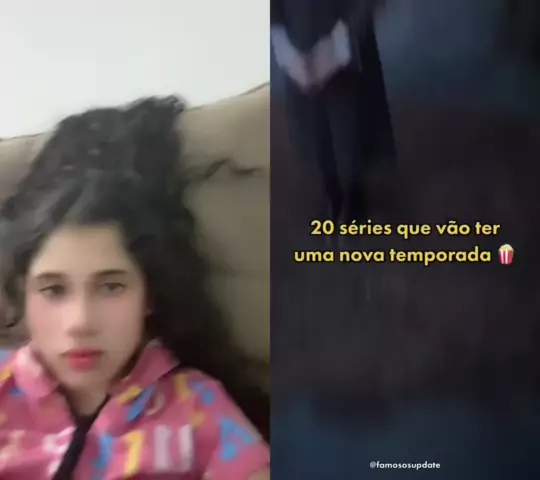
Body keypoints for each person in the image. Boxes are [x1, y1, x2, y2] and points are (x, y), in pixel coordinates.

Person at [0, 98, 270, 479]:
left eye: (111, 287)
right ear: (23, 293)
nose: (80, 322)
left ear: (148, 295)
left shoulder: (196, 404)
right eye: (54, 290)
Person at [271, 0, 395, 225]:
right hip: (298, 37)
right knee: (315, 127)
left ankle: (353, 192)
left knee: (348, 123)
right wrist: (284, 46)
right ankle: (333, 191)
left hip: (345, 30)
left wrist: (338, 43)